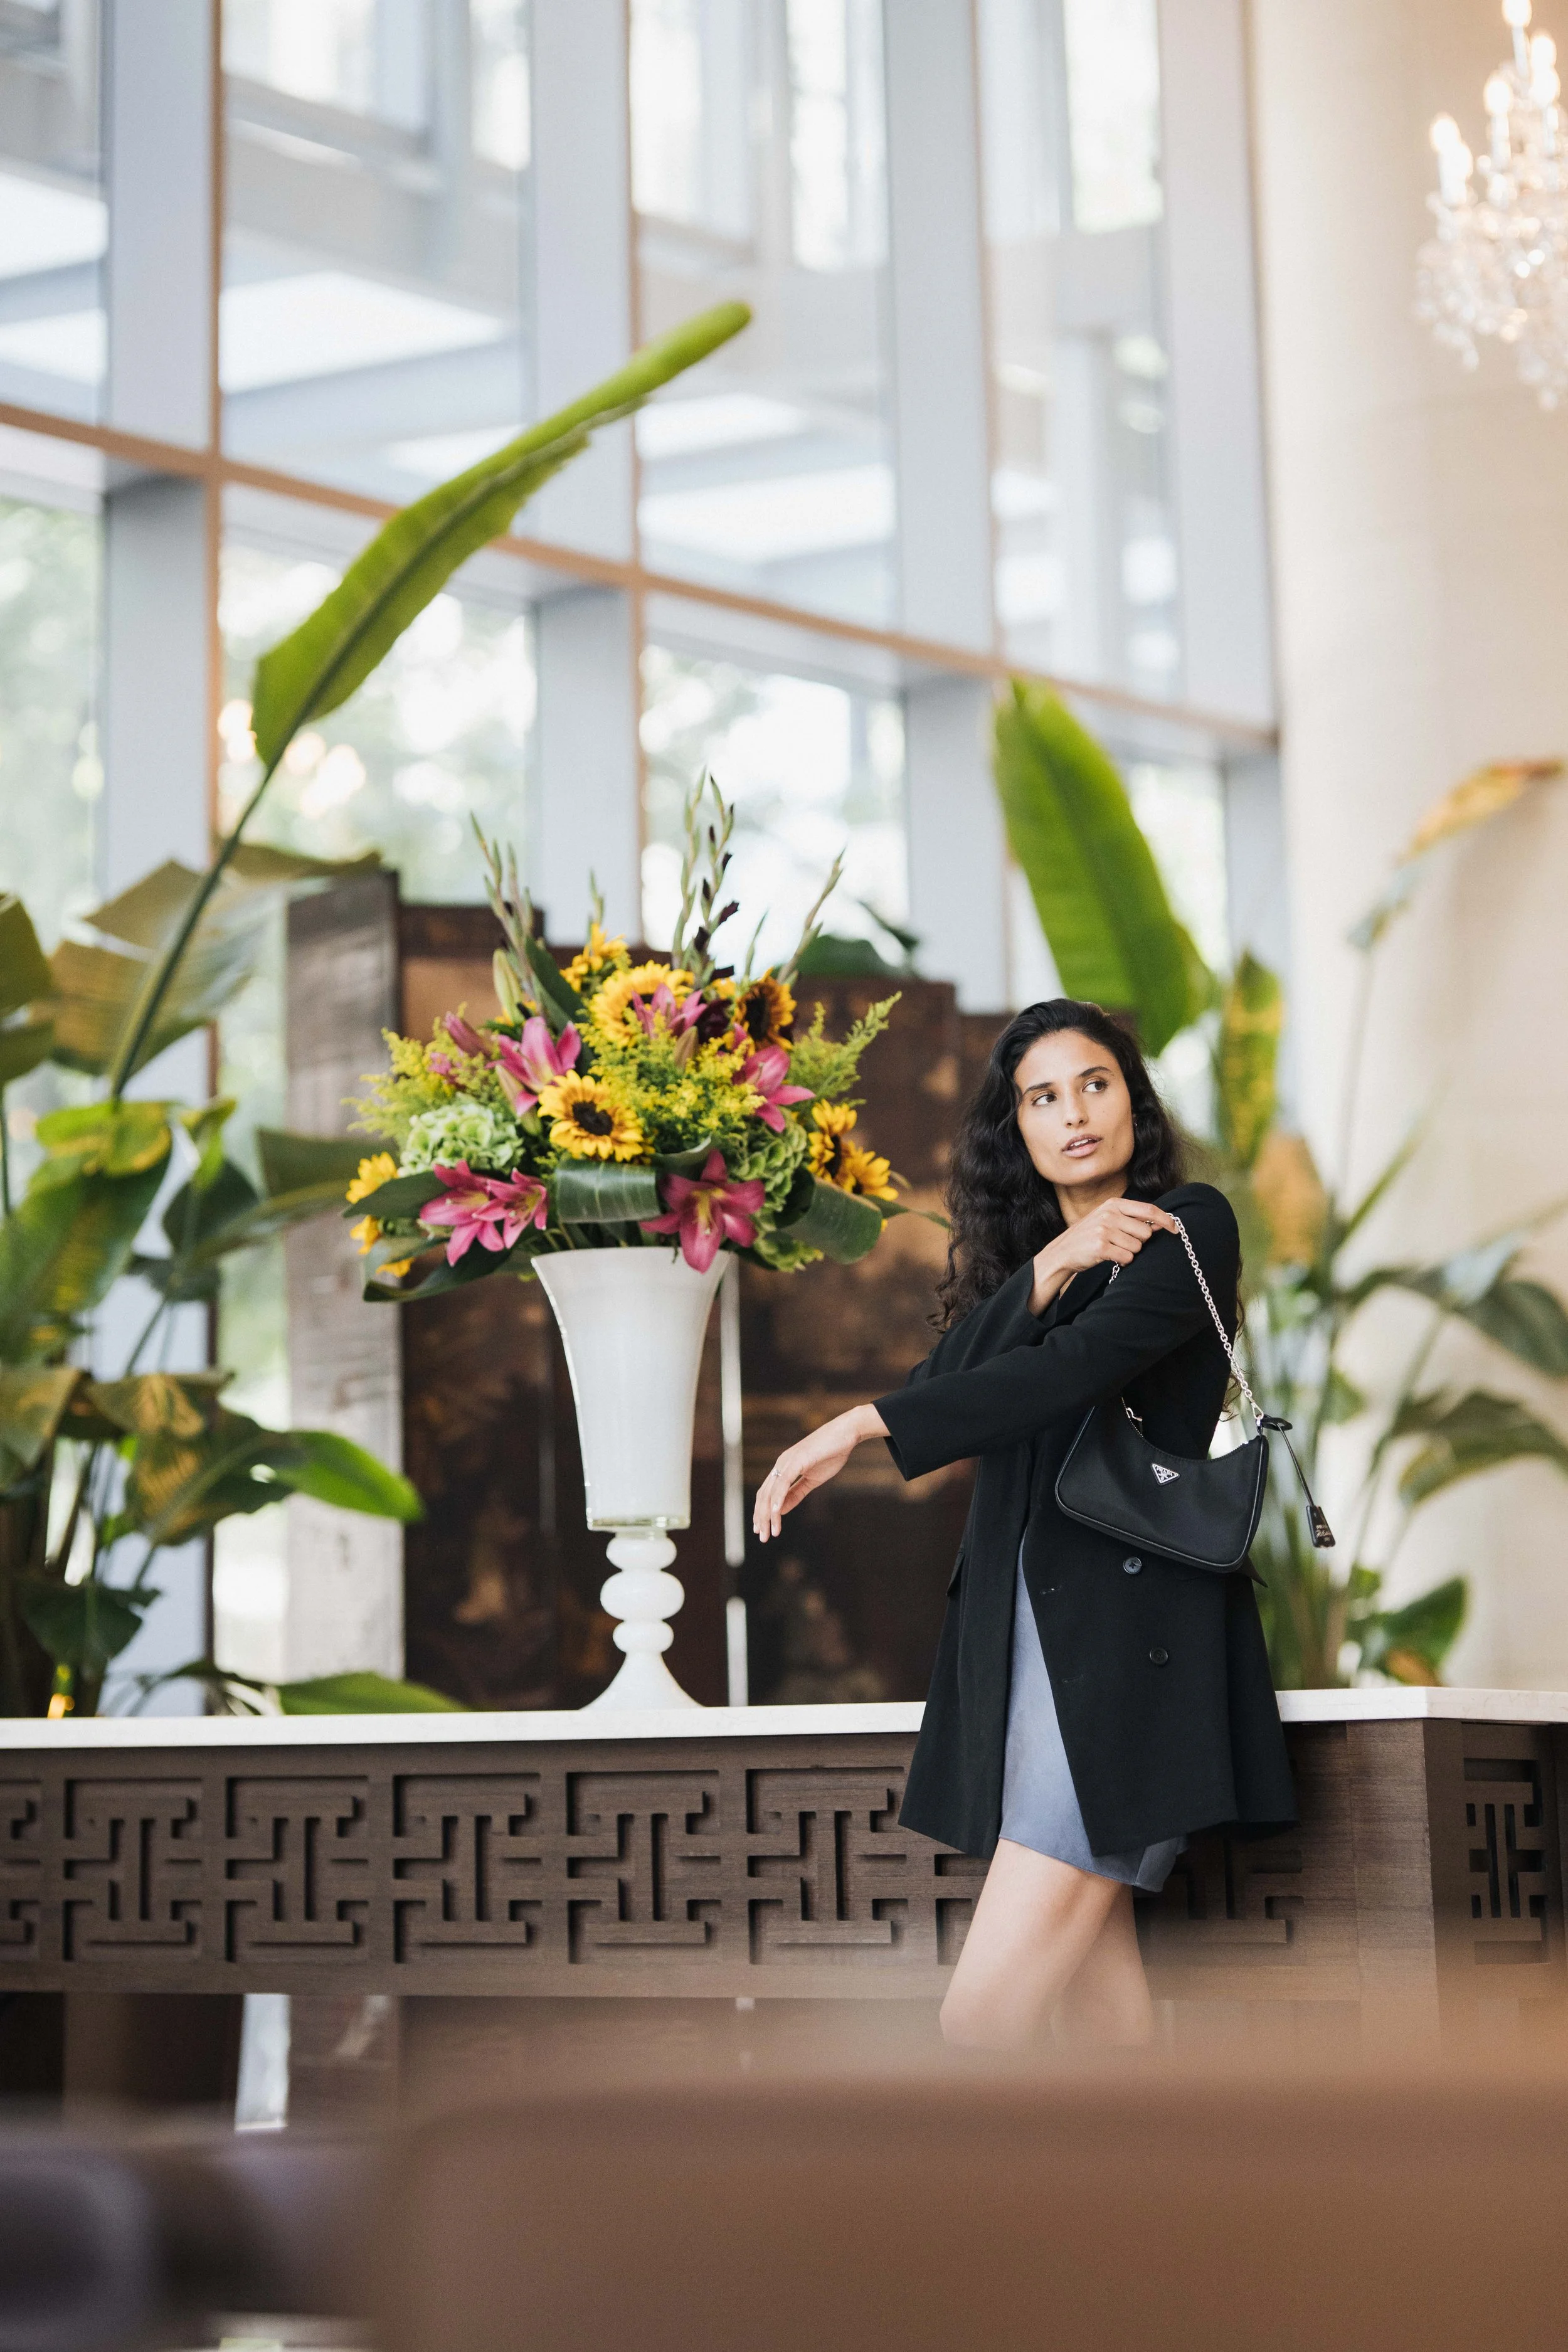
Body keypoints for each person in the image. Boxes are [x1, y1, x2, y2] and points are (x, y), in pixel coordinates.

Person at [752, 999, 1296, 2049]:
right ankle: (1149, 2216)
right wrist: (1052, 1264)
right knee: (1104, 2027)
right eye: (1043, 1098)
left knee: (978, 2023)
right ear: (1019, 1130)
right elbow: (953, 1383)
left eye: (1096, 1083)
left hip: (1130, 1648)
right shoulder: (1023, 1269)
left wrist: (857, 1425)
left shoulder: (1194, 1223)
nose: (1077, 1114)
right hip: (1026, 1638)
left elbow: (1067, 1374)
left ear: (1133, 1097)